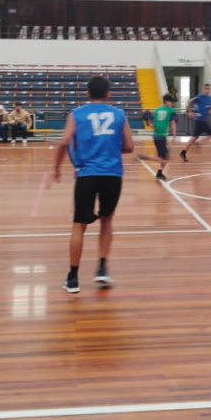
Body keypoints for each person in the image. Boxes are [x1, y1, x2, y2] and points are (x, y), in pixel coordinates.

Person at [53, 75, 134, 294]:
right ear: (108, 94)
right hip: (112, 174)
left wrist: (57, 168)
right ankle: (101, 268)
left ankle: (73, 278)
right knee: (106, 220)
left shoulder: (77, 114)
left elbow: (63, 142)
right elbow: (129, 146)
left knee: (79, 224)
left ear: (88, 94)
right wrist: (110, 149)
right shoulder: (119, 114)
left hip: (87, 174)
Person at [136, 94, 177, 180]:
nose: (172, 104)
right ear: (166, 102)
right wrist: (174, 135)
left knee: (167, 156)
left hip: (156, 135)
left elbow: (151, 124)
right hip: (161, 137)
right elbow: (173, 123)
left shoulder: (157, 110)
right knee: (164, 159)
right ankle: (145, 156)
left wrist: (148, 120)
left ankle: (159, 173)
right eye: (171, 102)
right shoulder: (171, 111)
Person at [179, 83, 211, 162]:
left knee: (194, 137)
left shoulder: (210, 98)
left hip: (204, 120)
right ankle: (198, 143)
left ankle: (183, 152)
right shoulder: (200, 97)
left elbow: (209, 107)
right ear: (203, 89)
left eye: (208, 89)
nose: (207, 90)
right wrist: (190, 111)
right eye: (206, 89)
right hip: (199, 120)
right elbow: (189, 101)